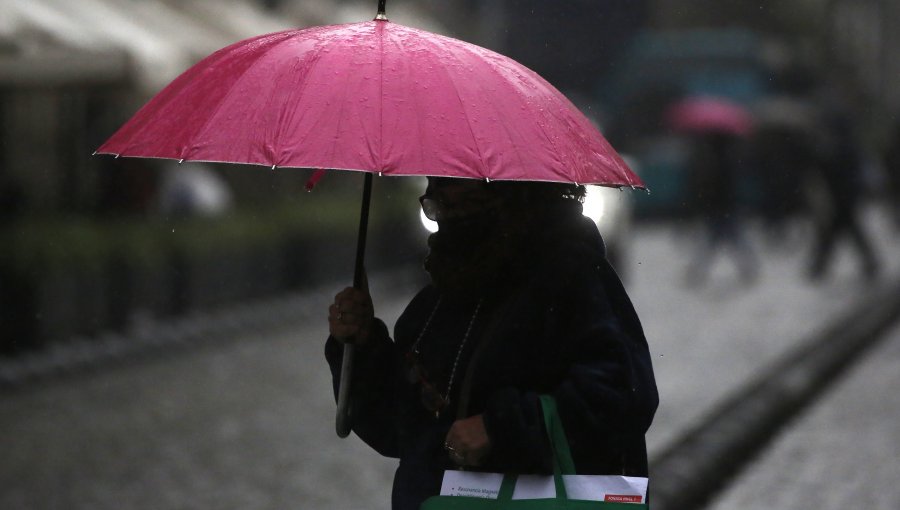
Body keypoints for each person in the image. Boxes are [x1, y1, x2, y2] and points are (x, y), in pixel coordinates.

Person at [325, 177, 658, 510]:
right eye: (439, 205)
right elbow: (401, 431)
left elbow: (623, 393)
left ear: (512, 196)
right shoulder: (432, 307)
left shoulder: (571, 278)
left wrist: (501, 429)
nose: (450, 220)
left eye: (468, 204)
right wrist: (362, 347)